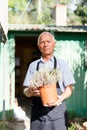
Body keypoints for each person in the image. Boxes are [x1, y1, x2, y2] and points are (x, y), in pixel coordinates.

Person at [23, 31, 75, 130]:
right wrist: (30, 91)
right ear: (39, 46)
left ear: (54, 44)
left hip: (58, 117)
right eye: (42, 42)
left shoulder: (62, 64)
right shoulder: (33, 65)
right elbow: (25, 91)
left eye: (48, 41)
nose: (45, 44)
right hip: (38, 118)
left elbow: (69, 88)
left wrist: (60, 99)